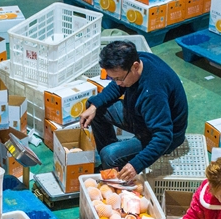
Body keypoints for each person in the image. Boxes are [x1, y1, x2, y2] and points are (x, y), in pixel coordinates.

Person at [79, 40, 188, 182]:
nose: (117, 82)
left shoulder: (152, 93)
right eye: (114, 78)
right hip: (139, 115)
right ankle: (115, 160)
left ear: (135, 66)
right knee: (95, 106)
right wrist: (94, 106)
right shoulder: (138, 60)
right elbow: (117, 86)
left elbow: (163, 137)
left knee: (109, 154)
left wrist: (136, 165)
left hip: (160, 135)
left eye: (119, 78)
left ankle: (114, 166)